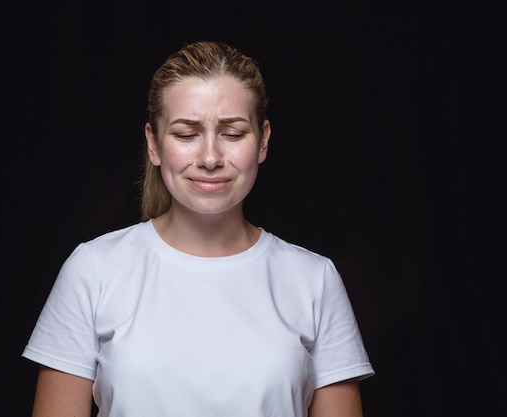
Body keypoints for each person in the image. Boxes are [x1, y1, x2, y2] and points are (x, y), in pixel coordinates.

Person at [22, 40, 375, 417]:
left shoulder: (314, 280)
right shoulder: (93, 270)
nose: (210, 158)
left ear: (263, 141)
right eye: (186, 134)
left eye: (233, 134)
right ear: (154, 145)